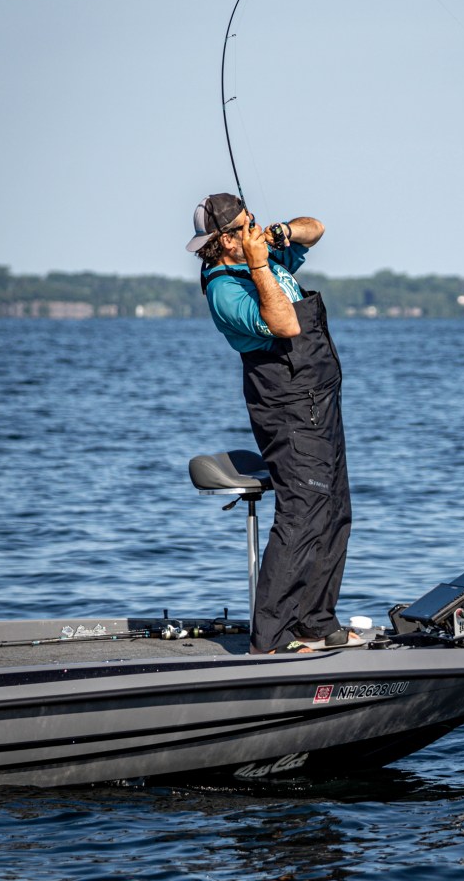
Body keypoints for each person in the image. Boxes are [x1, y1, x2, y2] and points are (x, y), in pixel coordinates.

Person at [186, 193, 359, 655]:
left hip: (320, 398)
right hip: (288, 406)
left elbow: (316, 227)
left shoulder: (262, 251)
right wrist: (261, 264)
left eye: (254, 221)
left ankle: (315, 622)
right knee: (301, 512)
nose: (255, 229)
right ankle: (270, 639)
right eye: (246, 226)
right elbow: (285, 324)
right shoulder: (226, 289)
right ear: (225, 241)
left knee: (334, 509)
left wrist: (281, 233)